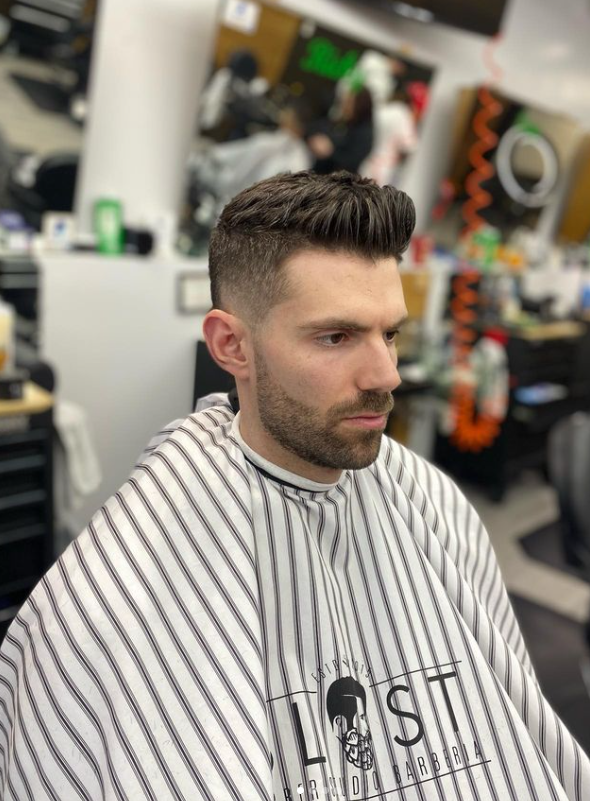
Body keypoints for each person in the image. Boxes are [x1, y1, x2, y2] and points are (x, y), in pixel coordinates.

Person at [0, 172, 588, 801]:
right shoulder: (121, 580)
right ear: (232, 346)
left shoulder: (432, 502)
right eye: (336, 336)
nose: (386, 374)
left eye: (390, 333)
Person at [309, 86, 374, 175]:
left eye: (349, 102)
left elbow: (352, 160)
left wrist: (330, 151)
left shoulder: (364, 131)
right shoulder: (344, 122)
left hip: (338, 177)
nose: (344, 106)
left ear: (360, 105)